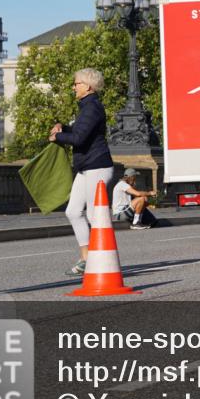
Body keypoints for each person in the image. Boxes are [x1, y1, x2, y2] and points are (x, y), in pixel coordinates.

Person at [50, 68, 115, 276]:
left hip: (97, 166)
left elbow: (79, 139)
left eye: (76, 83)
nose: (73, 87)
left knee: (95, 216)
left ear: (87, 86)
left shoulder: (92, 107)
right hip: (86, 167)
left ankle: (99, 259)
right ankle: (87, 257)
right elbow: (80, 132)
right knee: (73, 211)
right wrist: (64, 129)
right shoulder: (86, 107)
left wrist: (57, 138)